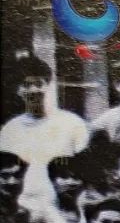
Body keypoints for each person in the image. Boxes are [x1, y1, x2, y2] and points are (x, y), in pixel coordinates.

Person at [0, 54, 89, 211]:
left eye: (39, 84)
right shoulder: (10, 129)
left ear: (48, 86)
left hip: (64, 206)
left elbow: (85, 169)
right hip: (24, 207)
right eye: (26, 85)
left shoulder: (72, 123)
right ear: (18, 90)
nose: (34, 90)